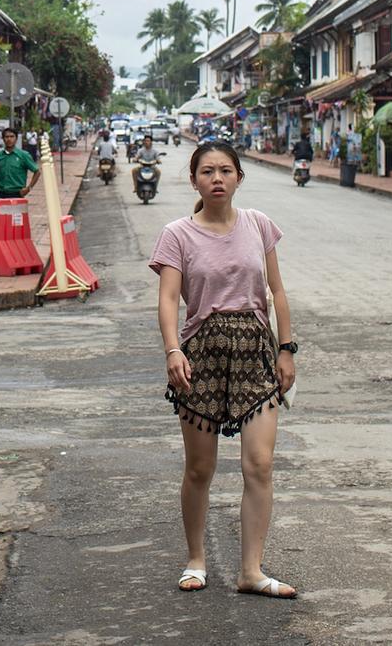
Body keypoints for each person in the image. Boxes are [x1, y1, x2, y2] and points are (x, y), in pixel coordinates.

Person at [150, 141, 299, 599]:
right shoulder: (177, 233)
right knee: (200, 468)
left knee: (260, 464)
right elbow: (168, 300)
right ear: (194, 179)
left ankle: (250, 570)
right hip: (201, 356)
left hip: (255, 350)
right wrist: (173, 350)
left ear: (239, 178)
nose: (217, 178)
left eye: (226, 171)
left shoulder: (258, 225)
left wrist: (287, 348)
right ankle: (196, 558)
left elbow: (276, 291)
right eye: (208, 171)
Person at [0, 127, 40, 199]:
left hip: (17, 193)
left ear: (16, 139)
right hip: (0, 193)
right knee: (1, 211)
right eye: (6, 137)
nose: (9, 139)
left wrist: (28, 188)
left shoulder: (23, 155)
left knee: (16, 210)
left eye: (12, 136)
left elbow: (37, 171)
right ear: (3, 139)